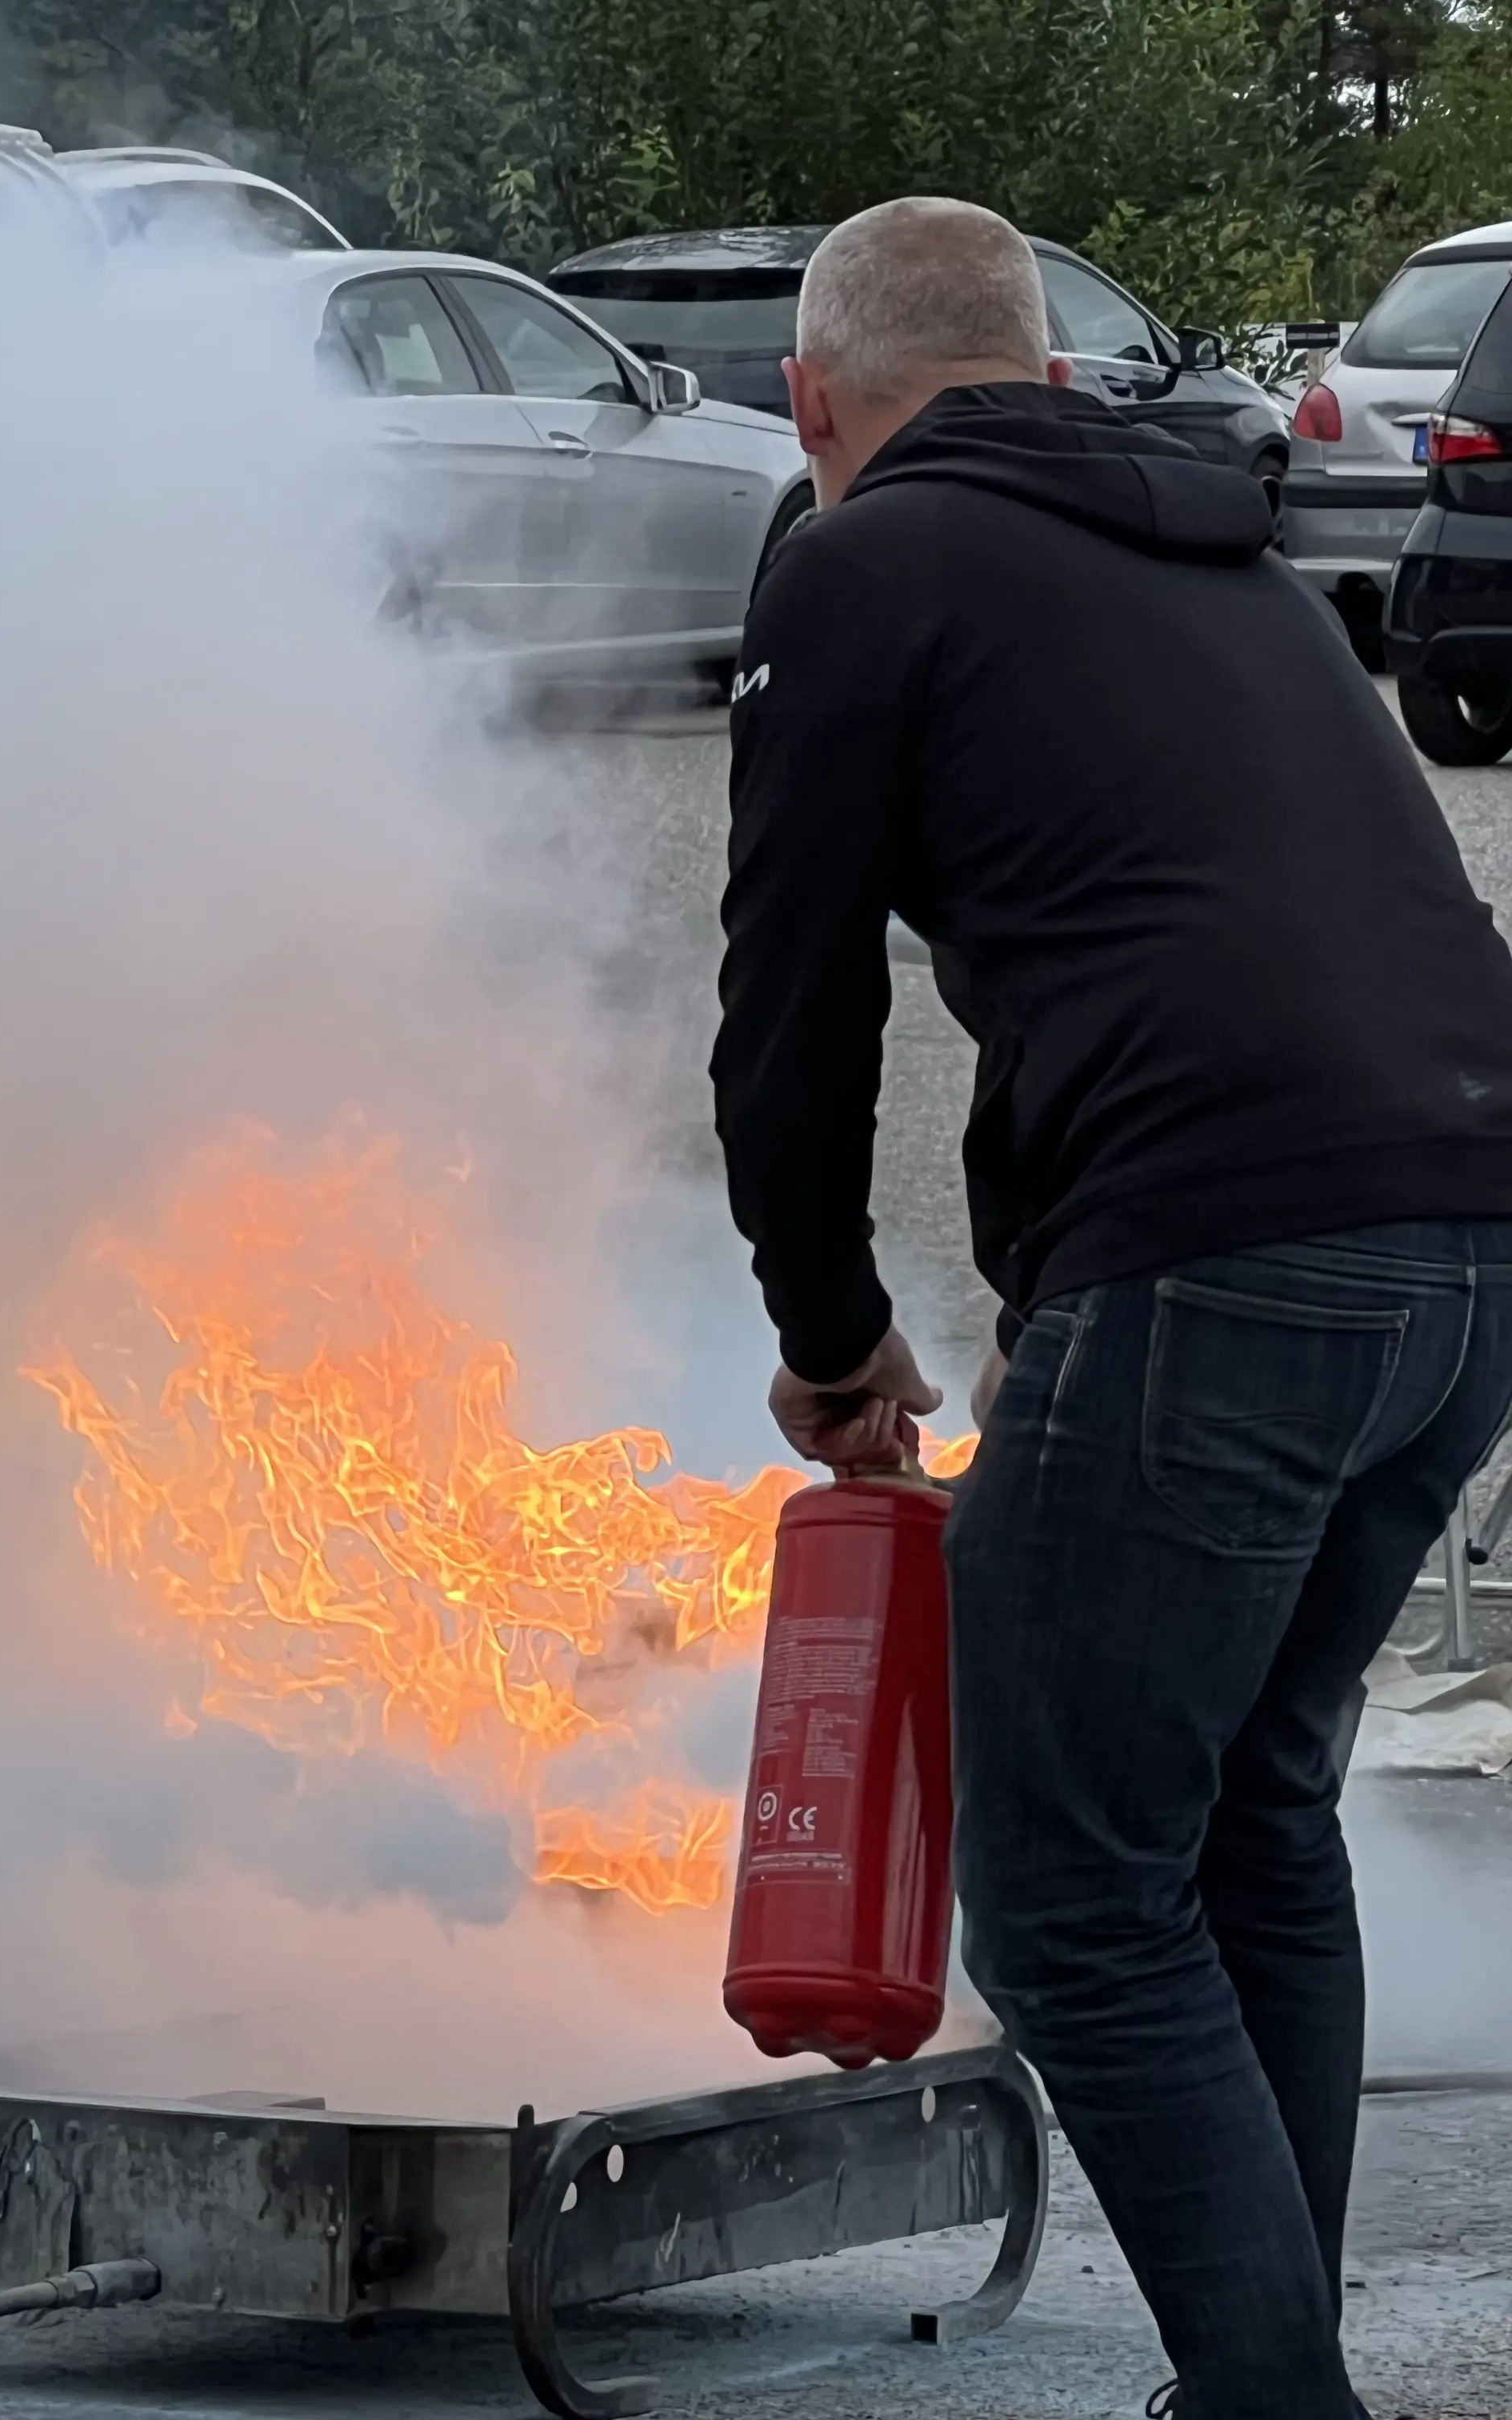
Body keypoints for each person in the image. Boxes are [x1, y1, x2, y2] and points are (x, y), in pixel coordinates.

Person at [713, 194, 1512, 2420]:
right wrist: (1042, 1296)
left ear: (815, 404)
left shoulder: (856, 564)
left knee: (1069, 1895)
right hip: (1471, 1242)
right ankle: (1268, 2374)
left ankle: (1274, 2402)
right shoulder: (1237, 565)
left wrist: (827, 1330)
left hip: (1234, 1259)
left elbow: (791, 1020)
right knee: (1254, 1813)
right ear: (1056, 382)